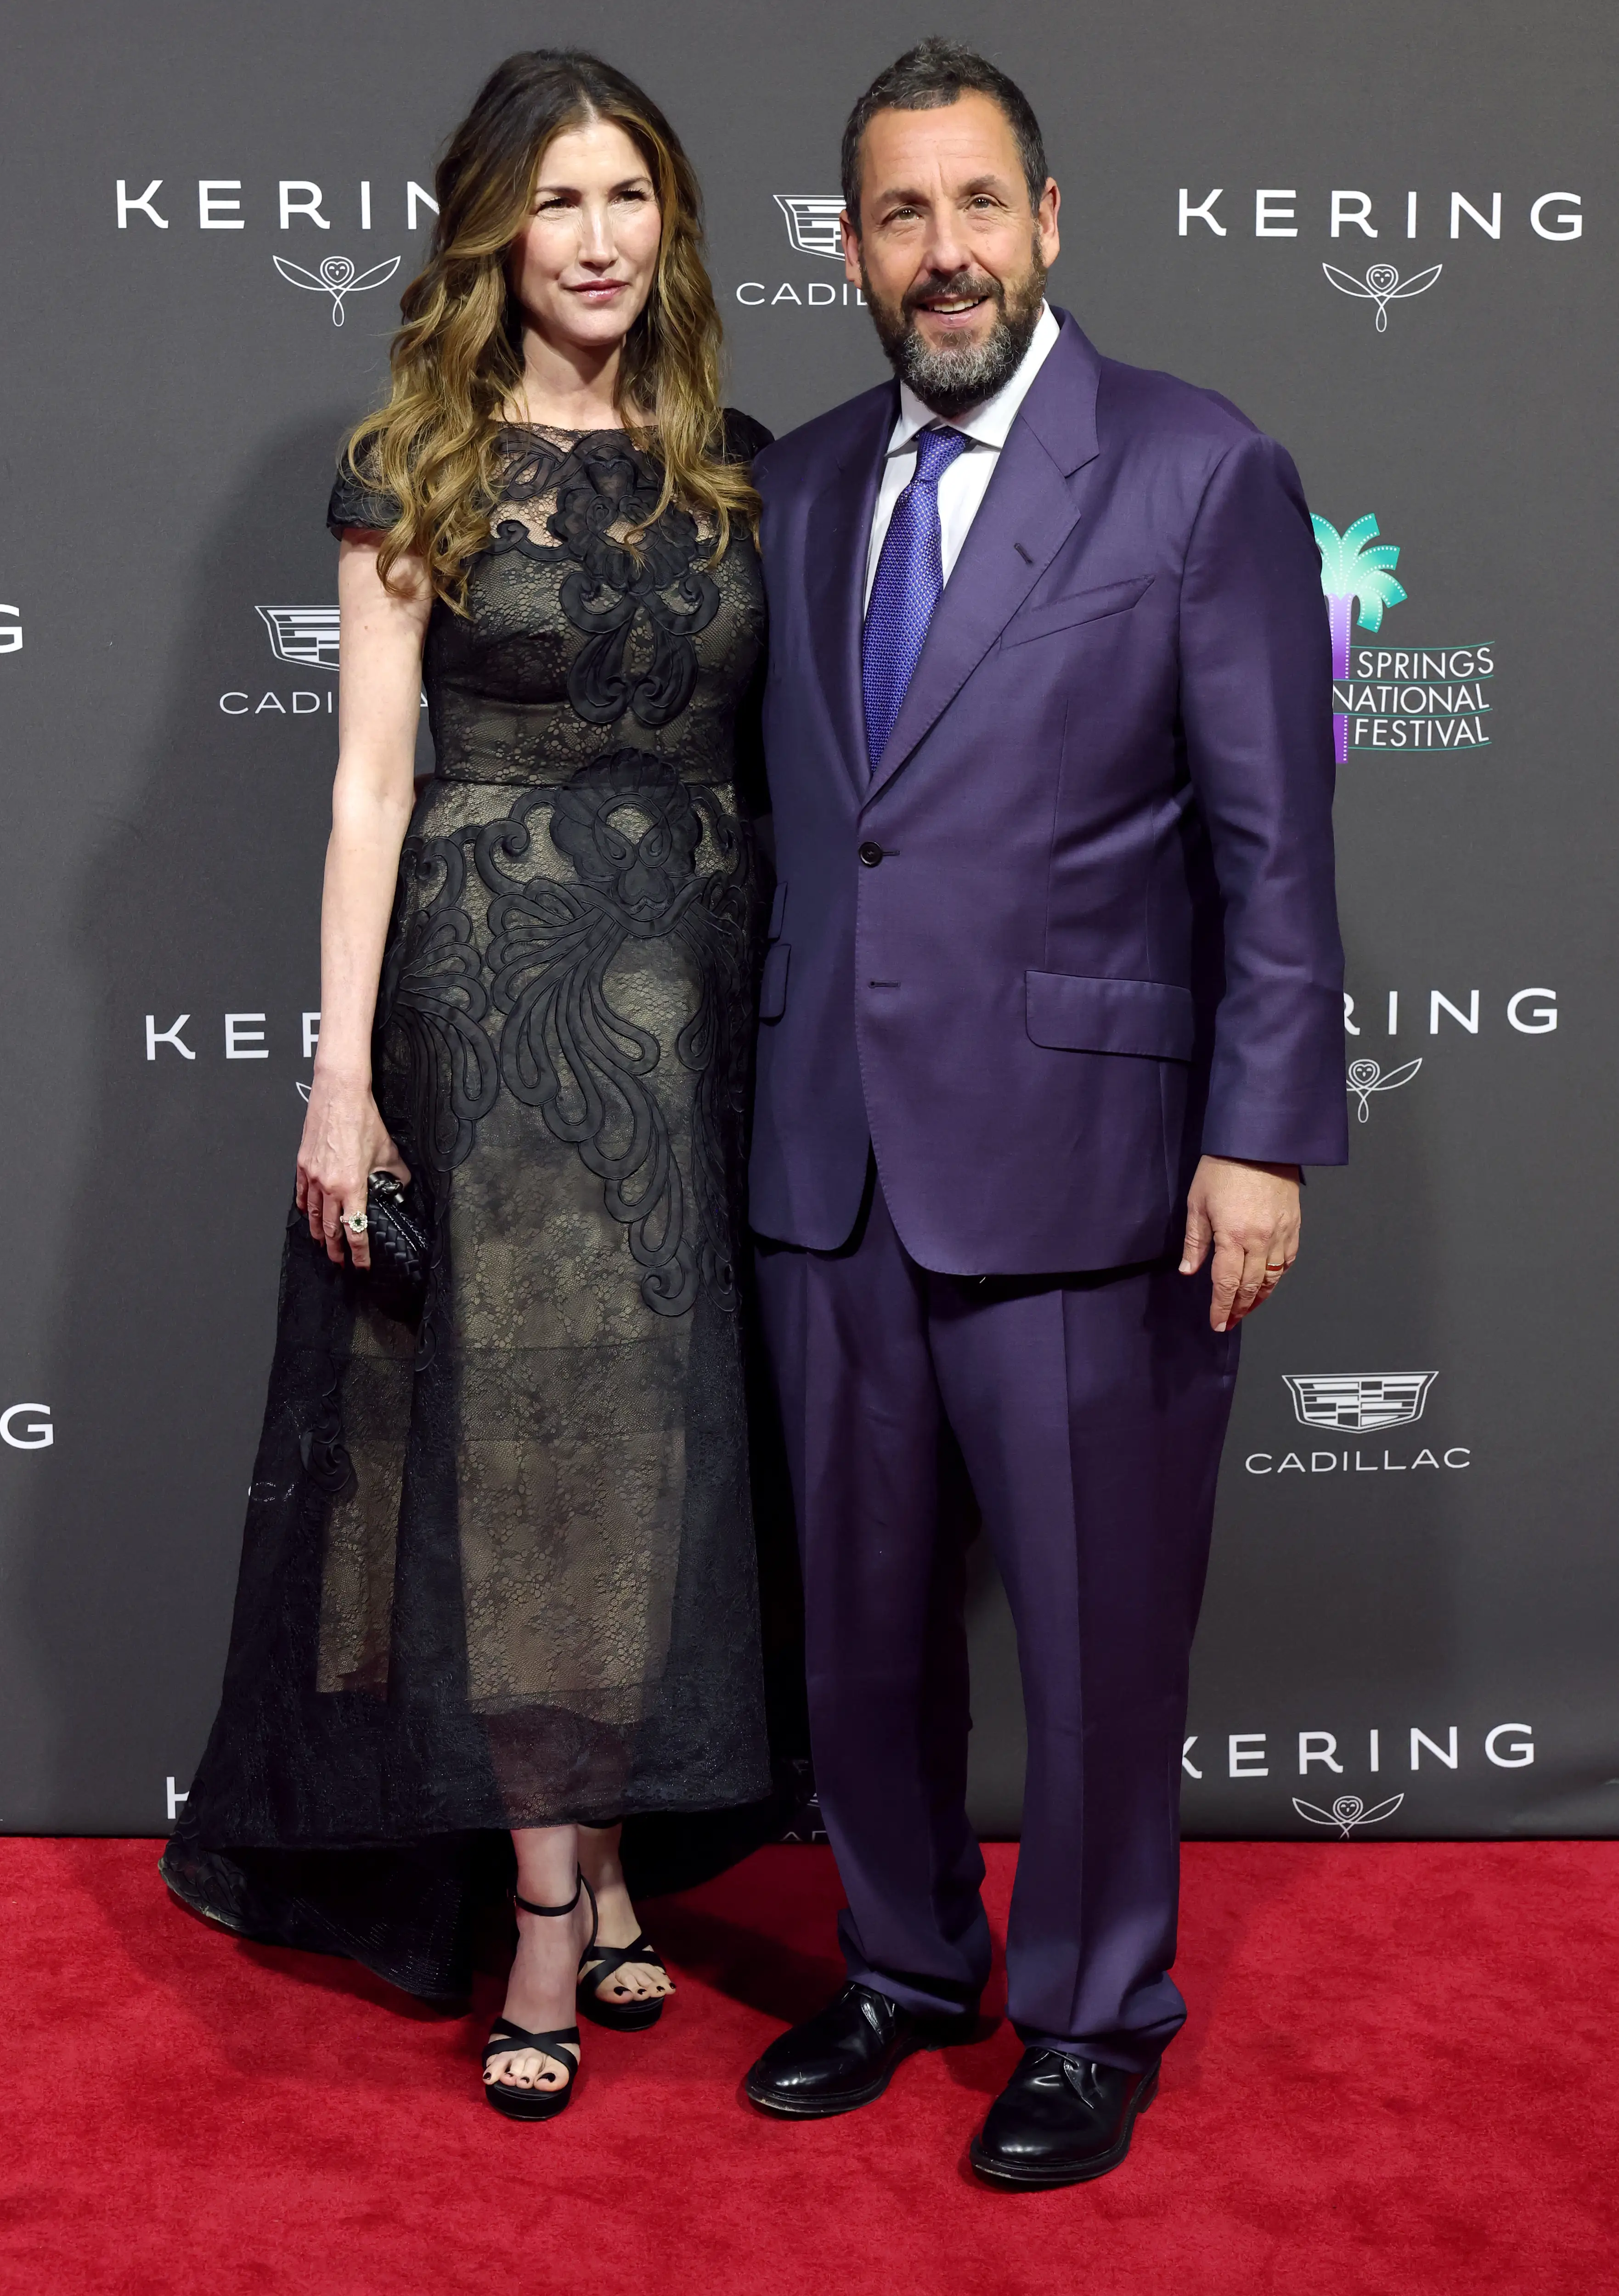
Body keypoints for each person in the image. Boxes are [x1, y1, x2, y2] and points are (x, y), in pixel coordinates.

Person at [742, 39, 1347, 2186]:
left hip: (1094, 1172)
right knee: (864, 1610)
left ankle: (1095, 2007)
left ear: (1053, 218)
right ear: (851, 249)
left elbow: (1278, 845)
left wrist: (1260, 1129)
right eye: (900, 216)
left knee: (1098, 1628)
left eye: (978, 205)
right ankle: (906, 1961)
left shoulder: (1195, 470)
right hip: (830, 1161)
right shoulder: (803, 483)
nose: (945, 253)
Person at [162, 49, 774, 2122]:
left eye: (631, 198)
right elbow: (368, 785)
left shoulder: (730, 460)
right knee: (523, 1452)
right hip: (494, 1004)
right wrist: (341, 1083)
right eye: (559, 203)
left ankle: (615, 1856)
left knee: (661, 1445)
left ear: (668, 223)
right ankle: (541, 1904)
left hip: (706, 1023)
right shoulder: (419, 456)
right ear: (492, 234)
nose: (599, 239)